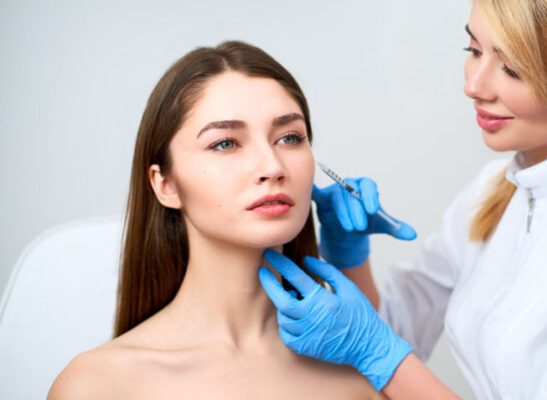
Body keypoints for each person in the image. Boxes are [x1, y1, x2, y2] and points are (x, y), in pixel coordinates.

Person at [259, 0, 547, 399]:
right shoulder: (498, 187)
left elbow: (383, 352)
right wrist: (349, 255)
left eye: (512, 68)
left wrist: (372, 348)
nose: (474, 85)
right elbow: (396, 334)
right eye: (473, 50)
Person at [48, 41, 382, 399]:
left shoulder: (361, 370)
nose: (272, 166)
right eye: (225, 143)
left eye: (289, 138)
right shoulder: (98, 385)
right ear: (166, 184)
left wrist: (356, 272)